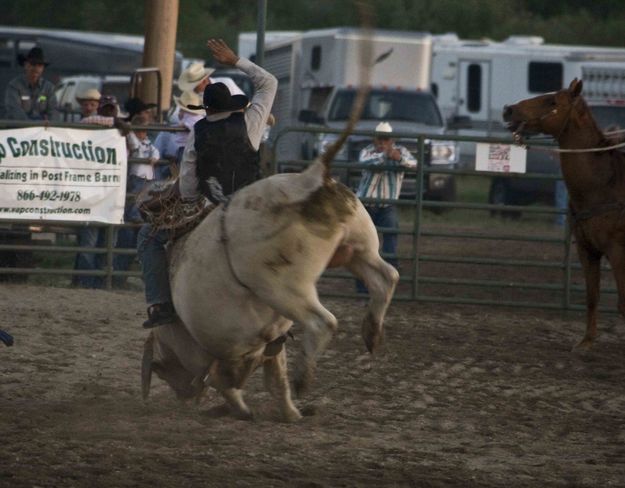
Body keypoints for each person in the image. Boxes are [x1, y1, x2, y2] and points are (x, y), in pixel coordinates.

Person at [137, 38, 277, 328]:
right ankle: (277, 313)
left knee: (148, 238)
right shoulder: (252, 122)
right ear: (233, 104)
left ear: (208, 109)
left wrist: (164, 199)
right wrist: (236, 60)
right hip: (249, 207)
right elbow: (269, 83)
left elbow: (188, 187)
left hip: (206, 206)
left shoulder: (198, 133)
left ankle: (161, 304)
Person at [73, 95, 129, 288]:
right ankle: (90, 282)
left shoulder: (117, 131)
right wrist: (116, 122)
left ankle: (98, 281)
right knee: (93, 239)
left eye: (110, 109)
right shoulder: (99, 125)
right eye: (105, 109)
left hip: (109, 190)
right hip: (97, 189)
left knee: (105, 240)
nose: (108, 112)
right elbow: (87, 121)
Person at [355, 122, 417, 292]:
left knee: (389, 242)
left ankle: (387, 281)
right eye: (380, 139)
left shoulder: (401, 152)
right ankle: (364, 287)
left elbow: (413, 164)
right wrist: (387, 156)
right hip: (367, 205)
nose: (382, 142)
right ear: (375, 139)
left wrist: (399, 158)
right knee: (363, 246)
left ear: (391, 140)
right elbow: (367, 162)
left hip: (386, 205)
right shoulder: (367, 151)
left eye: (386, 139)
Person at [153, 90, 205, 180]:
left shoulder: (190, 119)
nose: (179, 113)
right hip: (186, 149)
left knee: (181, 167)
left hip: (185, 149)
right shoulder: (199, 119)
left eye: (181, 110)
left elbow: (189, 125)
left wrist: (181, 125)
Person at [4, 46, 58, 121]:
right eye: (33, 64)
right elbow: (14, 110)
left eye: (39, 65)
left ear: (43, 68)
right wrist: (32, 125)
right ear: (25, 65)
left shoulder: (49, 88)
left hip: (42, 130)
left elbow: (53, 112)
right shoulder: (14, 86)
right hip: (18, 129)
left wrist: (46, 125)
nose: (36, 68)